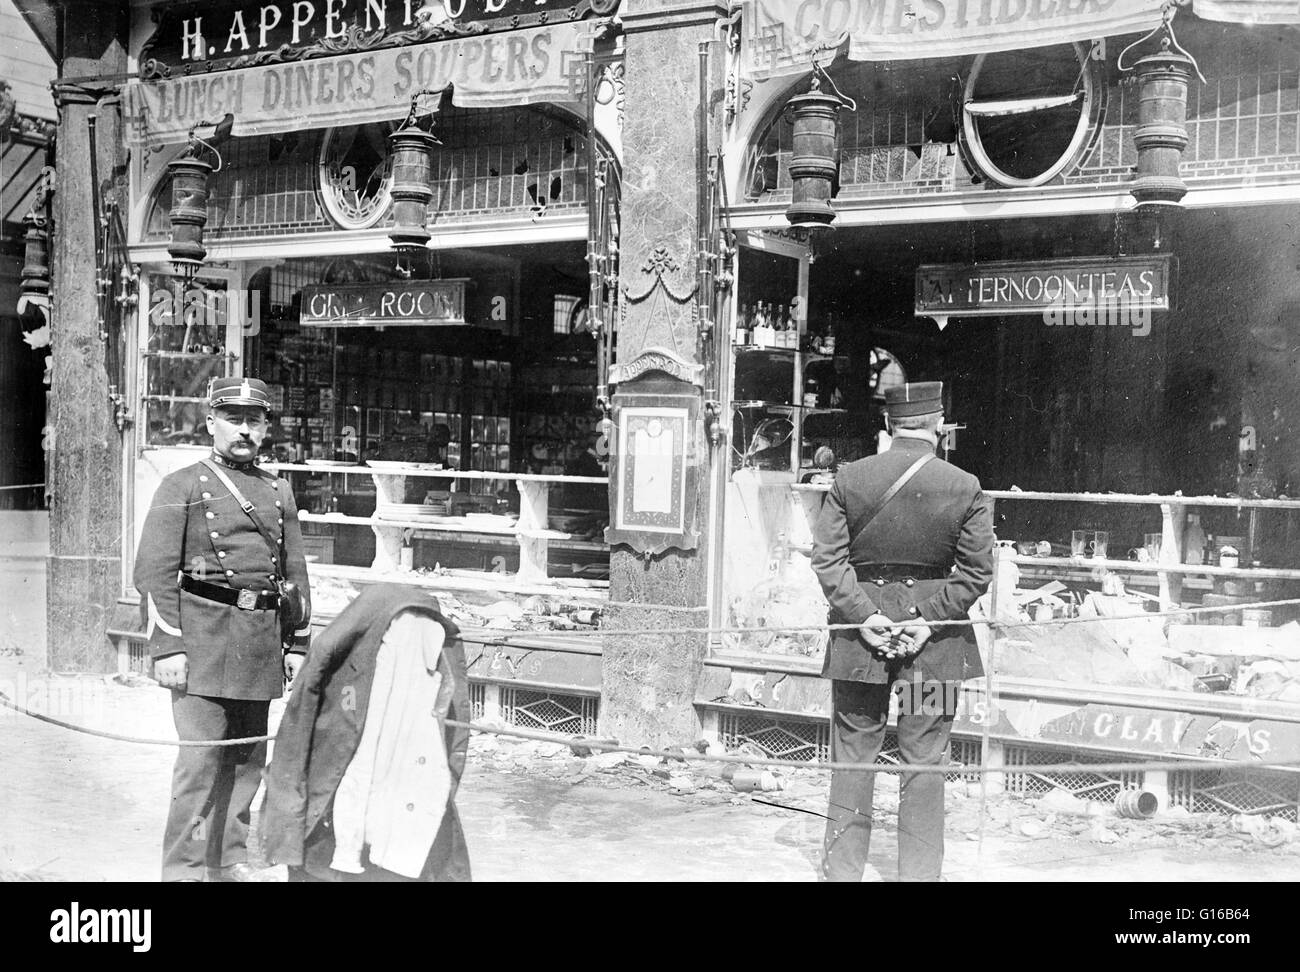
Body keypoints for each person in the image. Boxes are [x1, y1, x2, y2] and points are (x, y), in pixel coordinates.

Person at [810, 381, 993, 882]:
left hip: (859, 646)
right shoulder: (964, 485)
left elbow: (827, 560)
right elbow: (976, 573)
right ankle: (918, 877)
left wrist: (865, 616)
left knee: (853, 753)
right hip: (931, 649)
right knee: (924, 760)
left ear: (888, 426)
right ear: (938, 426)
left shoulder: (850, 479)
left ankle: (842, 874)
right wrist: (926, 618)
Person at [134, 376, 312, 882]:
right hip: (204, 642)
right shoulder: (183, 484)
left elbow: (294, 571)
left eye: (254, 420)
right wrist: (167, 648)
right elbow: (152, 571)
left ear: (265, 428)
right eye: (233, 419)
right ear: (212, 423)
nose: (244, 430)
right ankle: (184, 870)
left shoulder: (278, 489)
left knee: (247, 762)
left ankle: (227, 861)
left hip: (259, 641)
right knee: (199, 767)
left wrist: (298, 641)